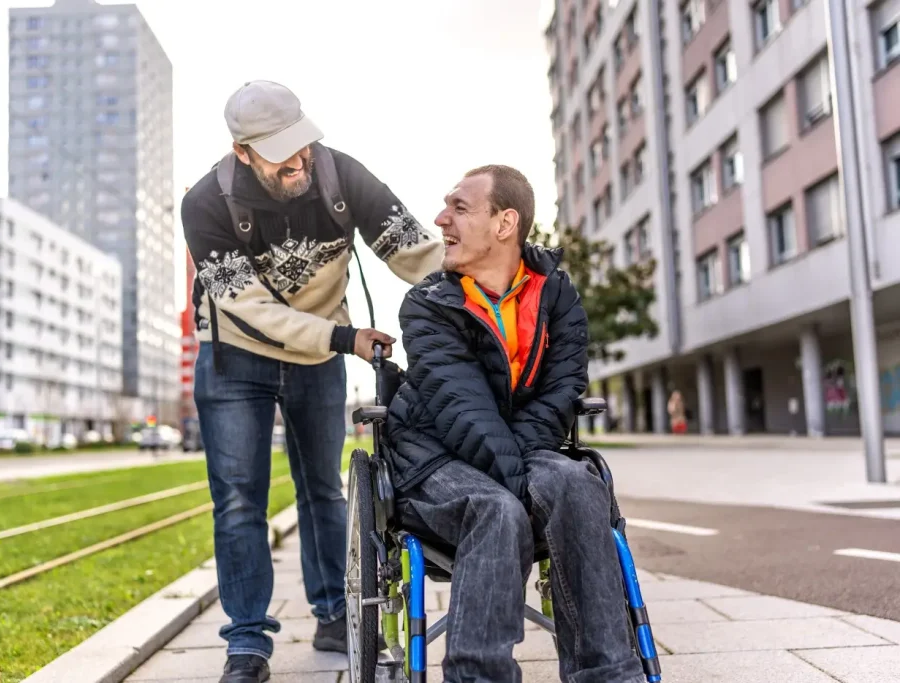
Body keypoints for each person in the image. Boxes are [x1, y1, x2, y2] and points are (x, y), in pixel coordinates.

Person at [181, 80, 444, 683]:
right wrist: (342, 339)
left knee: (323, 490)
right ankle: (247, 644)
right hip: (236, 357)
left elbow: (413, 251)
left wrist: (485, 274)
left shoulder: (341, 177)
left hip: (317, 358)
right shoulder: (204, 204)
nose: (300, 161)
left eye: (303, 144)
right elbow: (250, 308)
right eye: (282, 153)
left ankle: (333, 613)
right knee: (239, 500)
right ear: (242, 152)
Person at [384, 165, 647, 683]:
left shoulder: (557, 296)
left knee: (578, 485)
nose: (441, 220)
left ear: (506, 223)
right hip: (433, 455)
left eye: (459, 208)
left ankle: (609, 674)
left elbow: (561, 392)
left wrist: (528, 469)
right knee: (496, 510)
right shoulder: (427, 305)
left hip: (519, 448)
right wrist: (523, 484)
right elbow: (463, 409)